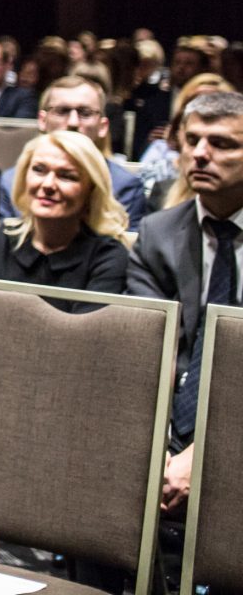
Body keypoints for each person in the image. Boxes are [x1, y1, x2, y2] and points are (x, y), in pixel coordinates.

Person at [0, 131, 130, 557]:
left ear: (90, 186)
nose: (48, 184)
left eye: (66, 175)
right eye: (39, 170)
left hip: (62, 403)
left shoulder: (107, 256)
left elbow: (83, 348)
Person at [128, 90, 243, 520]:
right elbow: (151, 353)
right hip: (170, 417)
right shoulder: (158, 234)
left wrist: (211, 448)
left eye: (223, 143)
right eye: (192, 140)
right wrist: (156, 445)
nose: (199, 154)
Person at [0, 74, 149, 225]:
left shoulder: (125, 186)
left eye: (85, 113)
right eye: (62, 111)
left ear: (102, 127)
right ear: (42, 121)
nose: (73, 122)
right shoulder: (11, 181)